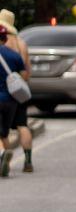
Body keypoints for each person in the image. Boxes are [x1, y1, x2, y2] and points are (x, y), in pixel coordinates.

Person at [0, 9, 33, 172]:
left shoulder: (3, 46)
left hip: (2, 95)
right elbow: (26, 73)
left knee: (2, 132)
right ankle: (28, 162)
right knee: (22, 125)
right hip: (18, 93)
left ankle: (4, 156)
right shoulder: (21, 43)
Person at [0, 25, 26, 178]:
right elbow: (23, 76)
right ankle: (6, 163)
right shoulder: (15, 55)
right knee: (4, 133)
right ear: (5, 38)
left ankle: (3, 154)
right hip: (11, 100)